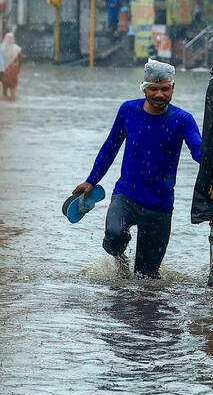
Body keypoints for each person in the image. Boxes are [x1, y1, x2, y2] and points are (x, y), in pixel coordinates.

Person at [71, 60, 202, 278]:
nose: (159, 94)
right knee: (113, 235)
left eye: (164, 89)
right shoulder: (128, 111)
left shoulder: (183, 120)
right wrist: (91, 180)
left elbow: (199, 152)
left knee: (146, 278)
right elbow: (110, 146)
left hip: (159, 204)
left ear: (172, 88)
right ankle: (120, 261)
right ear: (144, 88)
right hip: (126, 195)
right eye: (153, 89)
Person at [1, 32, 21, 100]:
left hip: (4, 70)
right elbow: (20, 59)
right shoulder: (17, 48)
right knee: (13, 87)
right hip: (13, 70)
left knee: (5, 86)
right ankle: (12, 101)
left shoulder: (2, 48)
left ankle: (5, 100)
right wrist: (18, 69)